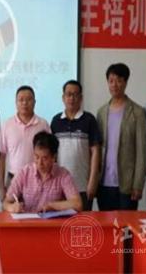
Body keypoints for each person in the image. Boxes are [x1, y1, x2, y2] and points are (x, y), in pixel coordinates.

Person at [96, 63, 146, 211]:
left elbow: (142, 152)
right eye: (111, 81)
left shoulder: (137, 112)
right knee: (106, 223)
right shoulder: (101, 112)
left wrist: (138, 184)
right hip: (104, 183)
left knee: (126, 225)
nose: (115, 85)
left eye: (119, 80)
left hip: (127, 184)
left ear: (126, 82)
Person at [51, 80, 101, 211]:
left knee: (82, 221)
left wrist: (93, 180)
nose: (72, 98)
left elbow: (96, 151)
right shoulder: (56, 121)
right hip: (60, 186)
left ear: (81, 98)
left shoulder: (89, 119)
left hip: (82, 185)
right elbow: (52, 154)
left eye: (75, 94)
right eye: (68, 94)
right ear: (63, 97)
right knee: (60, 221)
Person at [3, 131, 82, 213]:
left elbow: (77, 204)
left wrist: (52, 205)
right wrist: (12, 207)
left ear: (54, 157)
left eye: (44, 158)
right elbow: (6, 203)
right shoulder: (24, 173)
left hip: (51, 221)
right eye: (36, 157)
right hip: (27, 220)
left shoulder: (63, 174)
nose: (40, 163)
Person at [0, 85, 50, 202]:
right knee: (11, 212)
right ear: (16, 103)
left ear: (34, 102)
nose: (25, 103)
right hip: (13, 178)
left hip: (38, 179)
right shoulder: (7, 125)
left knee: (37, 212)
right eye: (21, 100)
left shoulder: (43, 124)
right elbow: (1, 157)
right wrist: (1, 187)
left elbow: (51, 155)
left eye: (29, 99)